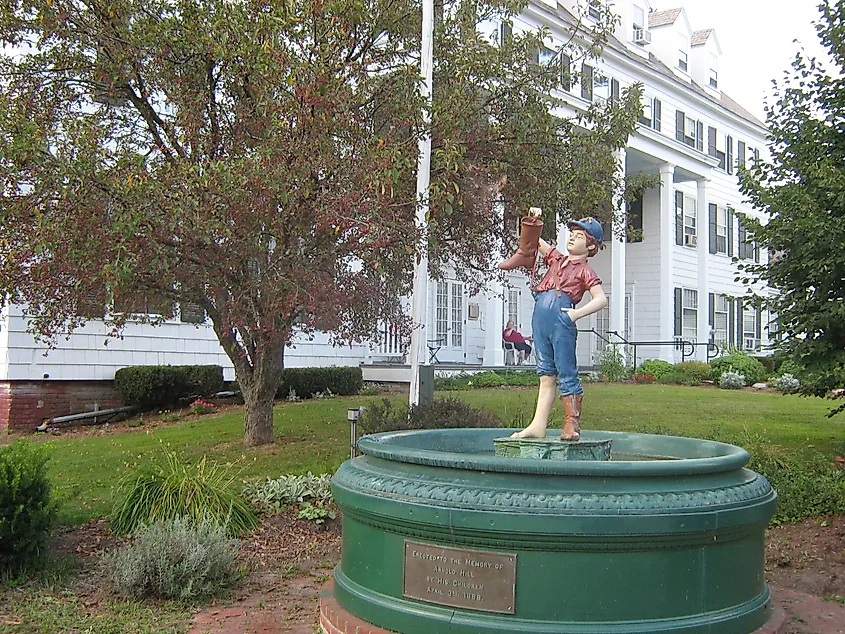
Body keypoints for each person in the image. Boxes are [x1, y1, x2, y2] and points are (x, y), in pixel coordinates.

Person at [499, 208, 607, 441]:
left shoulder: (585, 270)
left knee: (566, 372)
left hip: (561, 321)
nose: (571, 237)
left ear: (591, 246)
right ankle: (538, 425)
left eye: (579, 236)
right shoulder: (556, 258)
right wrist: (533, 219)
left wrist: (576, 314)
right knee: (546, 374)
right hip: (540, 319)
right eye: (572, 233)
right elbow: (536, 241)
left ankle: (572, 424)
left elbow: (601, 299)